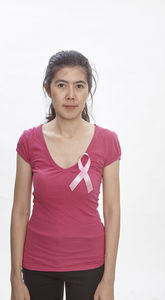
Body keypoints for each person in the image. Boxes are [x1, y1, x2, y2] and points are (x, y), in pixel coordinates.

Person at [10, 50, 122, 300]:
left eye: (79, 86)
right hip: (37, 263)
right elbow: (19, 211)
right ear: (48, 89)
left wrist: (109, 280)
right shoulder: (29, 141)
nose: (71, 95)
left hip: (89, 263)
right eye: (62, 85)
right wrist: (15, 278)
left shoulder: (107, 141)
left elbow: (112, 211)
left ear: (88, 89)